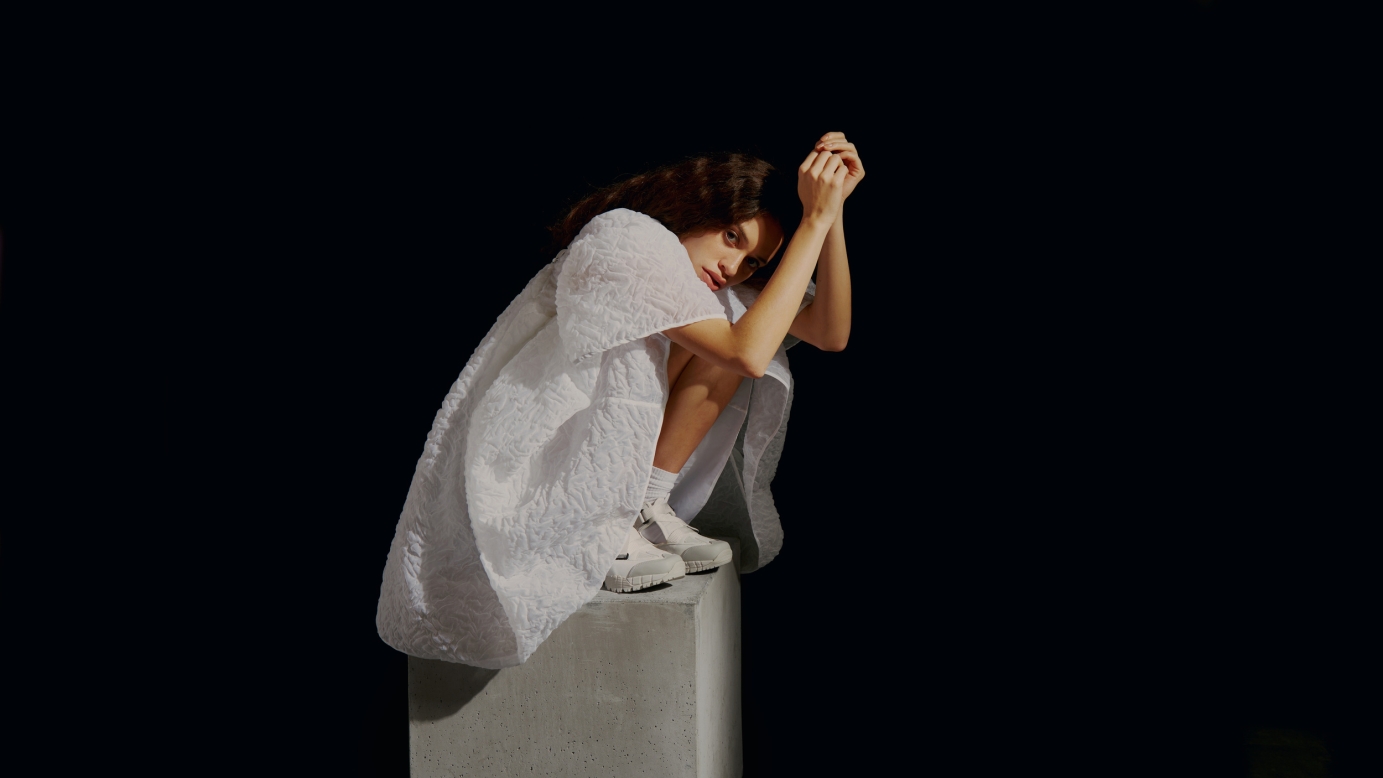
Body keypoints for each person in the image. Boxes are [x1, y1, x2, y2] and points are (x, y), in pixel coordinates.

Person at [376, 133, 865, 668]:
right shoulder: (626, 237)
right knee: (732, 338)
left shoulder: (700, 284)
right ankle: (597, 528)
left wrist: (831, 216)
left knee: (735, 319)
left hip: (608, 466)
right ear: (697, 204)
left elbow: (829, 333)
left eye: (752, 263)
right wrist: (812, 219)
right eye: (732, 236)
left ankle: (642, 507)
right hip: (531, 465)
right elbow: (746, 353)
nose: (733, 266)